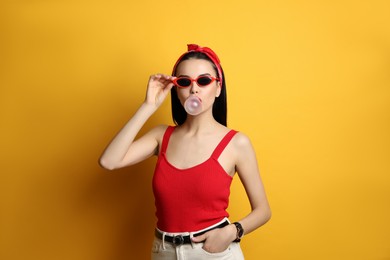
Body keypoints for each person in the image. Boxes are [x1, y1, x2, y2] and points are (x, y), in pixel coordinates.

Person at [99, 44, 271, 259]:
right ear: (176, 89)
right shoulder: (161, 136)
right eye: (184, 82)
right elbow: (109, 161)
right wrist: (148, 105)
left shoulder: (236, 143)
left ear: (218, 88)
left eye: (204, 80)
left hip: (213, 253)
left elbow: (263, 211)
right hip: (163, 251)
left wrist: (231, 231)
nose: (194, 89)